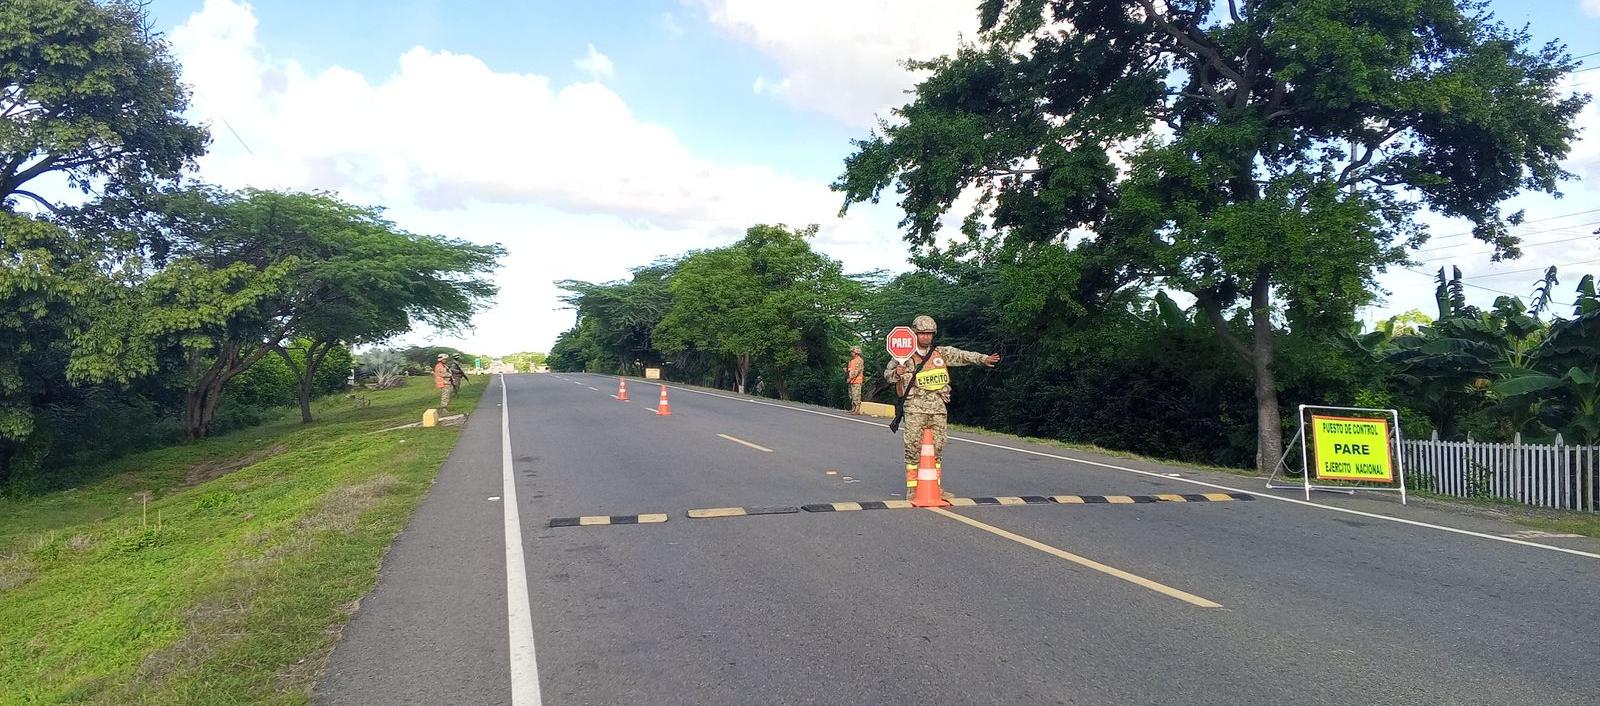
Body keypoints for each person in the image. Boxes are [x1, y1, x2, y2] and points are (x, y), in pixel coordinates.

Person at [884, 315, 1000, 498]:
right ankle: (913, 489)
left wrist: (982, 359)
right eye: (922, 333)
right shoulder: (903, 356)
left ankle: (935, 487)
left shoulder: (940, 352)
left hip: (938, 407)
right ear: (914, 334)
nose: (926, 337)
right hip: (914, 407)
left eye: (929, 334)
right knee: (913, 447)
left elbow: (961, 355)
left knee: (937, 448)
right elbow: (888, 376)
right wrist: (897, 373)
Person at [845, 346, 865, 415]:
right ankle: (853, 408)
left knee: (856, 395)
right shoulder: (852, 361)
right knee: (852, 395)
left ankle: (857, 409)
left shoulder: (859, 360)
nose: (851, 353)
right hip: (852, 380)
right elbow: (850, 370)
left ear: (856, 353)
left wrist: (850, 378)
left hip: (856, 380)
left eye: (852, 352)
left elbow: (857, 371)